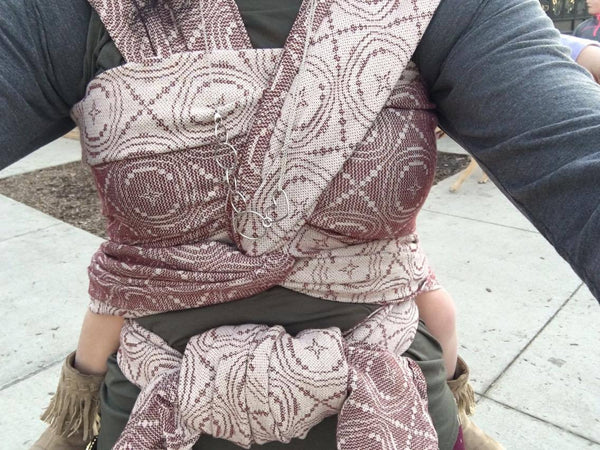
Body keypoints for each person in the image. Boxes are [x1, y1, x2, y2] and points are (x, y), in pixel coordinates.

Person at [1, 0, 599, 449]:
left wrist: (76, 394)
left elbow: (575, 151)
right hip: (161, 398)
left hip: (389, 389)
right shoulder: (67, 14)